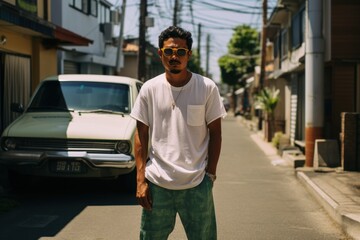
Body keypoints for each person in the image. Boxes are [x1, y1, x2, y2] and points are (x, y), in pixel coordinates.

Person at [130, 26, 227, 240]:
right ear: (160, 53)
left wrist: (210, 175)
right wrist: (140, 180)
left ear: (189, 55)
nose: (175, 56)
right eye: (169, 51)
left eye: (180, 52)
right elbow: (141, 134)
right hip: (157, 184)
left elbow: (216, 134)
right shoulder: (149, 88)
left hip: (196, 184)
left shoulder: (207, 87)